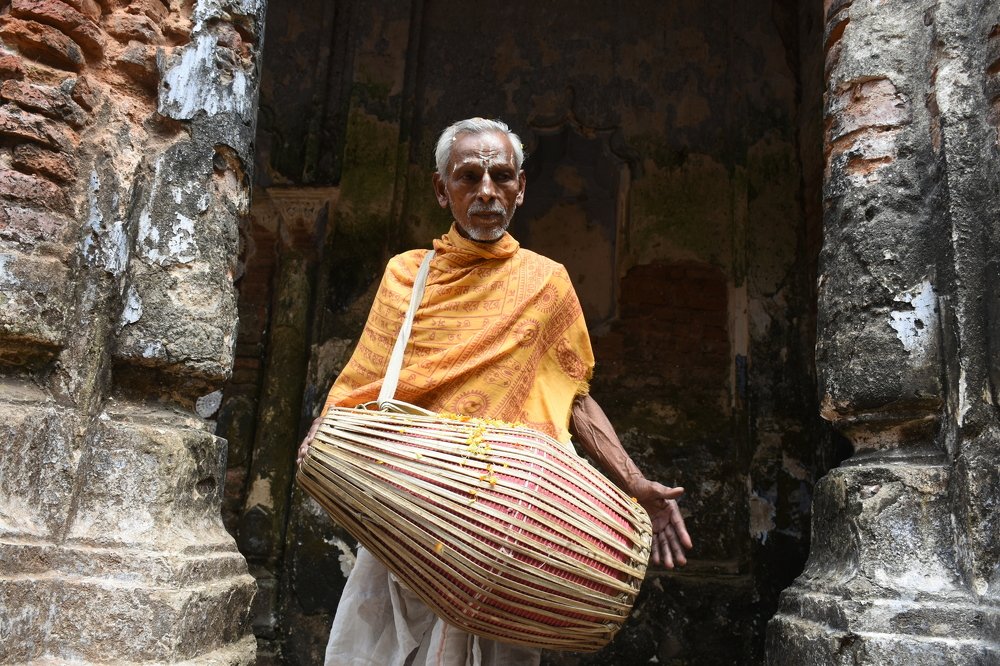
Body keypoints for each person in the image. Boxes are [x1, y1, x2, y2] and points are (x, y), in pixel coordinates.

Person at [297, 117, 693, 666]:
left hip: (513, 535)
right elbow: (363, 385)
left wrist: (633, 482)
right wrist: (323, 442)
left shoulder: (547, 282)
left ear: (521, 187)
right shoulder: (407, 276)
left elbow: (573, 395)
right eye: (468, 177)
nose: (487, 191)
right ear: (442, 190)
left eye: (501, 175)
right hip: (410, 519)